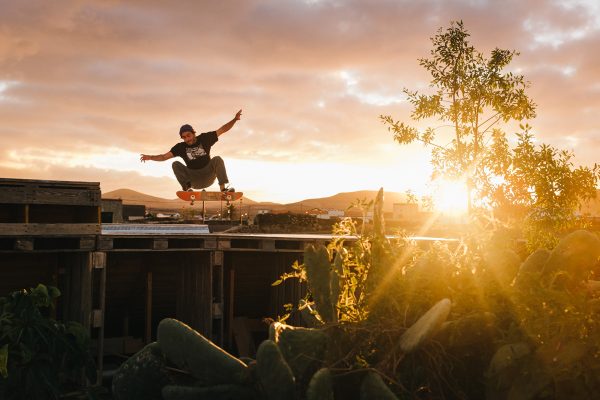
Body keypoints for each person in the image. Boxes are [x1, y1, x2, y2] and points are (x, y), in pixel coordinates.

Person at [140, 110, 242, 193]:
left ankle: (223, 189)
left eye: (188, 135)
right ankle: (187, 189)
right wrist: (150, 157)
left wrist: (235, 119)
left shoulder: (205, 138)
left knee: (217, 159)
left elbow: (223, 129)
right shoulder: (180, 147)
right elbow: (163, 157)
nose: (187, 139)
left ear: (193, 133)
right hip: (193, 178)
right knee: (175, 164)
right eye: (184, 137)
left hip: (208, 175)